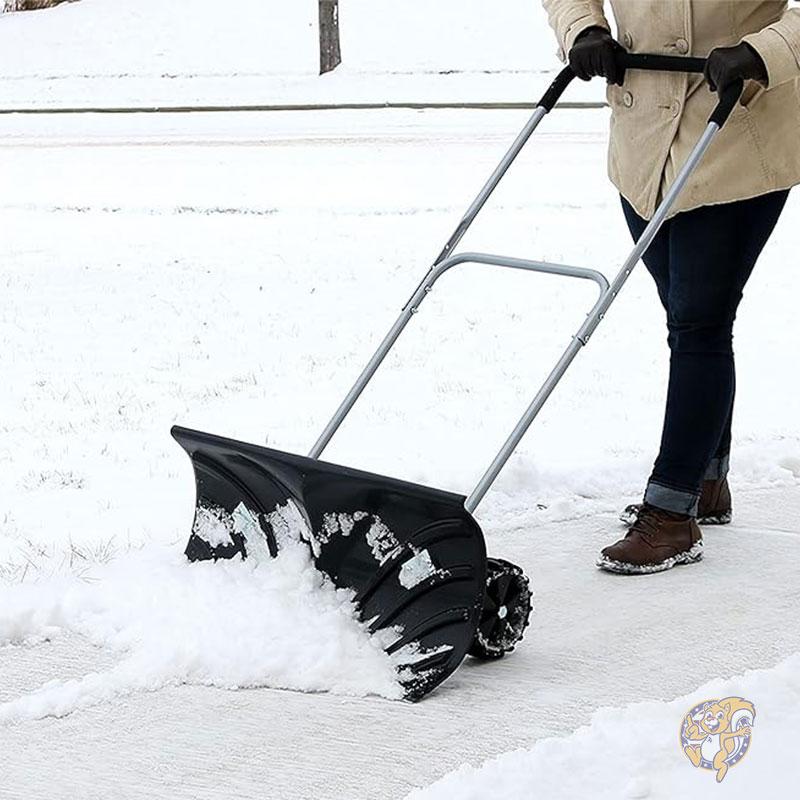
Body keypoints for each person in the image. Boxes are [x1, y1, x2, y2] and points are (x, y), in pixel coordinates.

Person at [542, 1, 800, 574]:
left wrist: (765, 50)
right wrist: (583, 29)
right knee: (690, 320)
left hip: (736, 131)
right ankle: (706, 483)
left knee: (699, 322)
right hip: (642, 145)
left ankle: (671, 510)